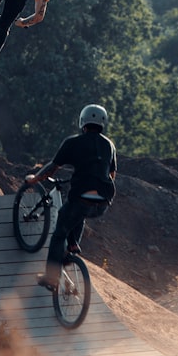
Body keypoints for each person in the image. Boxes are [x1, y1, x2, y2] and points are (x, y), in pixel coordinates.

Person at [27, 104, 117, 290]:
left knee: (60, 231)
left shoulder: (73, 142)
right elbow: (112, 174)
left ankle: (51, 277)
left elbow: (53, 166)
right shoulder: (109, 145)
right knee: (80, 213)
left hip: (81, 197)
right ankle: (73, 246)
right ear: (102, 124)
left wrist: (36, 179)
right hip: (103, 202)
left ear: (82, 122)